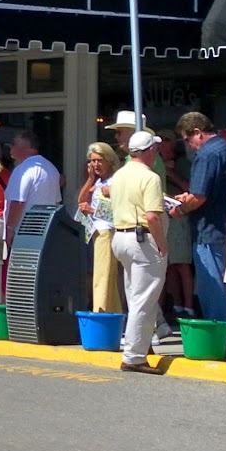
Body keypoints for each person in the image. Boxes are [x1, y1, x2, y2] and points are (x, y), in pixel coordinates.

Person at [171, 111, 226, 342]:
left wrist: (180, 209)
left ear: (197, 133)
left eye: (187, 139)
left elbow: (200, 196)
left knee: (213, 288)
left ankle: (219, 340)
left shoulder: (205, 155)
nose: (189, 145)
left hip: (209, 229)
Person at [110, 129, 168, 374]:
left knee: (135, 295)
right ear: (150, 151)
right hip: (141, 238)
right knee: (144, 299)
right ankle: (134, 355)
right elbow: (153, 216)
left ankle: (140, 347)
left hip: (121, 237)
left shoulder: (119, 175)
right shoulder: (150, 177)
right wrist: (162, 243)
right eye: (155, 148)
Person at [78, 142, 123, 314]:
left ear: (110, 161)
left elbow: (116, 210)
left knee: (103, 276)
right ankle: (112, 313)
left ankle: (101, 312)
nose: (95, 165)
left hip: (107, 231)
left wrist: (92, 210)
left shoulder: (115, 181)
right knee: (102, 275)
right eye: (92, 161)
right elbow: (81, 200)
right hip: (96, 231)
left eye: (99, 160)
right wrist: (90, 178)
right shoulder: (98, 181)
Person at [156, 132, 196, 319]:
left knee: (182, 263)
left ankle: (189, 305)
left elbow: (191, 188)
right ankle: (177, 304)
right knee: (169, 264)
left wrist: (170, 172)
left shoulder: (183, 164)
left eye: (164, 141)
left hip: (179, 216)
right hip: (162, 216)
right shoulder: (154, 164)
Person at [3, 128, 62, 249]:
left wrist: (9, 229)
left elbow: (18, 201)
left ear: (25, 146)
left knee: (21, 266)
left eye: (13, 144)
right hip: (45, 231)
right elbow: (57, 202)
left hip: (23, 231)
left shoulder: (23, 169)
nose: (10, 147)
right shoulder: (51, 168)